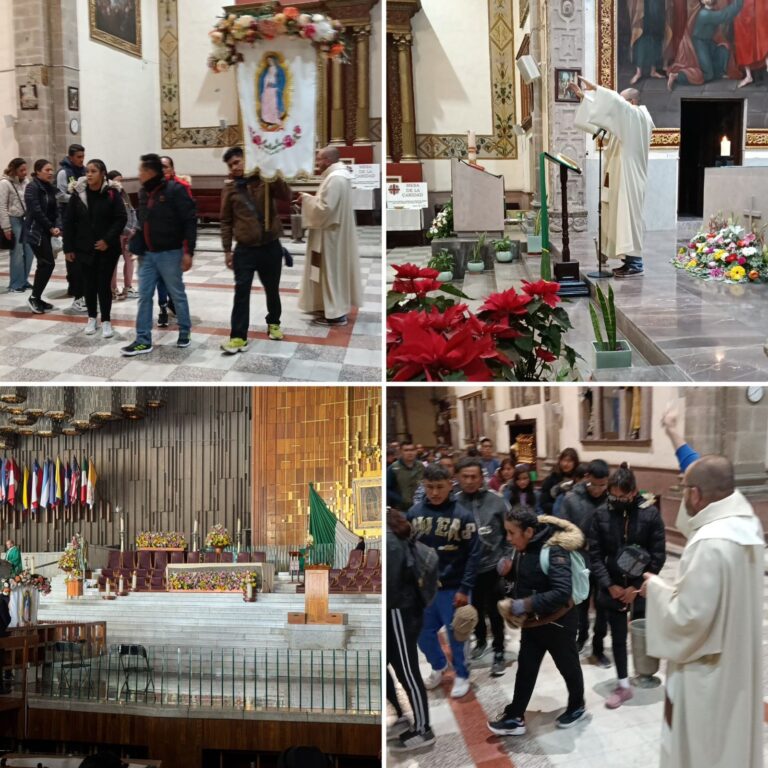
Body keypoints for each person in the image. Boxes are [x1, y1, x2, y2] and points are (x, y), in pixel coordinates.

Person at [643, 454, 763, 768]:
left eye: (684, 490)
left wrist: (656, 589)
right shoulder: (747, 525)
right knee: (732, 740)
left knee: (707, 748)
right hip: (738, 661)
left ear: (695, 495)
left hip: (709, 673)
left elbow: (688, 620)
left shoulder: (709, 545)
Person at [488, 508, 586, 736]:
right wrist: (508, 573)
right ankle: (514, 716)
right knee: (526, 668)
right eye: (507, 532)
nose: (509, 538)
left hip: (559, 623)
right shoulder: (521, 549)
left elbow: (562, 591)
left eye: (512, 533)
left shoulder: (553, 551)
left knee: (568, 666)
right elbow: (526, 580)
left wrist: (524, 605)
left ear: (529, 531)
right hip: (534, 625)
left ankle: (577, 705)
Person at [588, 463, 666, 708]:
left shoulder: (650, 514)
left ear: (633, 492)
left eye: (623, 496)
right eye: (613, 495)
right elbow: (595, 554)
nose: (617, 500)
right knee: (618, 637)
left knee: (643, 631)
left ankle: (646, 671)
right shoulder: (601, 514)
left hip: (639, 588)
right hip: (611, 586)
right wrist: (609, 585)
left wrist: (635, 587)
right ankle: (623, 685)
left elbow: (658, 554)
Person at [408, 463, 479, 699]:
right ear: (423, 486)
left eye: (440, 487)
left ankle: (462, 674)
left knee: (457, 634)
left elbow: (473, 554)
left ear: (451, 485)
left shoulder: (463, 515)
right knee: (422, 634)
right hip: (424, 589)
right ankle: (439, 666)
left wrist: (465, 588)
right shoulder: (414, 514)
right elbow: (408, 551)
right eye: (429, 487)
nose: (435, 493)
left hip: (453, 587)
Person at [572, 77, 654, 278]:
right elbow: (605, 128)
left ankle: (636, 263)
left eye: (622, 102)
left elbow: (616, 106)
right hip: (619, 177)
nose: (617, 109)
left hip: (630, 179)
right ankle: (628, 262)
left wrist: (596, 88)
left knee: (628, 220)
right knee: (620, 220)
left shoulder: (640, 117)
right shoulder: (626, 124)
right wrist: (584, 97)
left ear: (632, 102)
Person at [121, 153, 196, 356]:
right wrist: (136, 238)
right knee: (144, 296)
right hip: (147, 255)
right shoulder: (144, 192)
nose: (139, 174)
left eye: (141, 170)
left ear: (150, 172)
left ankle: (185, 331)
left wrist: (189, 252)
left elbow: (189, 220)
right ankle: (143, 339)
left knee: (177, 295)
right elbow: (143, 219)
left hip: (170, 253)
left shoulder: (176, 190)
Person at [220, 145, 291, 351]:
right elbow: (225, 221)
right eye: (230, 165)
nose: (234, 167)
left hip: (270, 246)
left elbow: (286, 195)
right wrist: (226, 250)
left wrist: (273, 173)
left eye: (237, 162)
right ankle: (238, 336)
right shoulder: (230, 188)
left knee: (272, 289)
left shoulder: (266, 181)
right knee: (241, 292)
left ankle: (274, 322)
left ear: (246, 160)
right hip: (245, 249)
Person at [455, 456, 510, 677]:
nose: (469, 481)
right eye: (465, 477)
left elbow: (509, 532)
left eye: (474, 477)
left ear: (481, 478)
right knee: (474, 609)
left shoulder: (496, 501)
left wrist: (507, 558)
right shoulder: (453, 503)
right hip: (467, 570)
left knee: (495, 611)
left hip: (493, 567)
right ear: (458, 478)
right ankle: (480, 641)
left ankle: (499, 650)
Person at [386, 508, 434, 752]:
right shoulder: (391, 535)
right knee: (390, 666)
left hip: (399, 612)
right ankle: (405, 715)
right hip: (397, 611)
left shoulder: (391, 541)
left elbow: (390, 587)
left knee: (408, 671)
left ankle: (424, 728)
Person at [298, 146, 362, 326]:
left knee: (331, 273)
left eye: (318, 159)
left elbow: (325, 209)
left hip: (330, 237)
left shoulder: (335, 179)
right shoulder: (339, 176)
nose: (316, 164)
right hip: (332, 234)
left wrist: (305, 199)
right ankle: (325, 306)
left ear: (327, 160)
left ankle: (335, 314)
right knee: (326, 272)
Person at [63, 160, 128, 339]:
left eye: (93, 171)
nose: (89, 174)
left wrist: (107, 240)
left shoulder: (112, 193)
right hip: (83, 247)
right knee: (88, 285)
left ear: (103, 174)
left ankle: (106, 320)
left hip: (107, 249)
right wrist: (67, 247)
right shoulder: (78, 193)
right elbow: (68, 222)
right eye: (87, 171)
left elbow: (121, 218)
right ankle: (92, 318)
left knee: (103, 285)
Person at [560, 459, 610, 652]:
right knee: (581, 602)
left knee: (602, 604)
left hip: (604, 561)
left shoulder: (610, 498)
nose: (598, 490)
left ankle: (599, 645)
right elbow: (564, 530)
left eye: (602, 485)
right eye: (594, 485)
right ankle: (582, 637)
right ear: (586, 477)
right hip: (580, 559)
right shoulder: (571, 499)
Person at [667, 0, 745, 88]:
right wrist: (739, 2)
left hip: (709, 42)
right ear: (702, 2)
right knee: (707, 74)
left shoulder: (712, 10)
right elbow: (724, 15)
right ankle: (677, 76)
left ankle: (716, 73)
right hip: (699, 43)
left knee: (724, 51)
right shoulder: (704, 14)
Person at [157, 155, 191, 327]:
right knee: (160, 279)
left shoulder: (181, 187)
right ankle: (163, 307)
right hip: (156, 244)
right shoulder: (151, 188)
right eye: (159, 167)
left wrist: (187, 249)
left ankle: (174, 305)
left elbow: (188, 218)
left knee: (174, 278)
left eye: (165, 166)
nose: (162, 170)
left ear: (172, 168)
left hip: (175, 243)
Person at [23, 159, 61, 314]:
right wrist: (51, 227)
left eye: (52, 170)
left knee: (45, 264)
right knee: (46, 263)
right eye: (47, 170)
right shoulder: (32, 187)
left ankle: (37, 298)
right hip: (35, 231)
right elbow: (36, 211)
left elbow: (57, 209)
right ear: (38, 171)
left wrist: (58, 226)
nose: (51, 173)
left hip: (47, 230)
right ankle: (34, 297)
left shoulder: (51, 188)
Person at [56, 143, 87, 312]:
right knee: (71, 254)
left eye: (83, 157)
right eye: (78, 157)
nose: (82, 160)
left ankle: (81, 287)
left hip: (82, 218)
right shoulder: (63, 173)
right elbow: (60, 195)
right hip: (68, 216)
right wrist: (77, 198)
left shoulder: (83, 171)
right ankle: (74, 287)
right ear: (70, 157)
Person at [0, 158, 34, 292]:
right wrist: (6, 227)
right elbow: (1, 206)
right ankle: (15, 284)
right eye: (22, 170)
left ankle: (24, 280)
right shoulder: (5, 183)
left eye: (26, 169)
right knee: (17, 252)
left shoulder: (25, 181)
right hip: (13, 220)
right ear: (14, 170)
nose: (25, 173)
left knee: (30, 251)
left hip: (25, 219)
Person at [106, 170, 137, 300]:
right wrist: (125, 229)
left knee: (130, 260)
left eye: (121, 180)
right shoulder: (109, 195)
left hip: (129, 233)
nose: (120, 183)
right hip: (117, 234)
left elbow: (131, 211)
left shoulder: (124, 194)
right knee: (113, 262)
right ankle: (112, 288)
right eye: (117, 180)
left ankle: (128, 286)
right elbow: (113, 217)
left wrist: (134, 227)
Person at [628, 0, 672, 84]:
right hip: (643, 11)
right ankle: (638, 72)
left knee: (656, 40)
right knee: (641, 41)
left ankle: (653, 70)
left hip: (657, 10)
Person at [733, 0, 768, 87]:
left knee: (763, 34)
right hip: (743, 9)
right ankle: (749, 76)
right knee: (743, 40)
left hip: (758, 7)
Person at [539, 447, 580, 516]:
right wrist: (559, 510)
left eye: (569, 461)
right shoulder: (552, 478)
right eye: (563, 460)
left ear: (575, 463)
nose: (565, 464)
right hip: (554, 516)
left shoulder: (578, 480)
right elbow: (544, 502)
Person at [386, 442, 424, 512]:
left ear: (416, 452)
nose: (410, 453)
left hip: (420, 506)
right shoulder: (393, 468)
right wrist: (400, 499)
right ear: (401, 452)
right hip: (401, 509)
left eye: (412, 450)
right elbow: (387, 489)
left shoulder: (421, 466)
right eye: (406, 450)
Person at [259, 55, 286, 128]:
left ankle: (274, 120)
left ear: (274, 60)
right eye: (268, 61)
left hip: (274, 91)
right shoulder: (266, 70)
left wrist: (276, 86)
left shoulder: (279, 69)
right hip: (266, 90)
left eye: (270, 60)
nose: (269, 62)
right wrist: (264, 87)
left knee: (273, 105)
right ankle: (267, 119)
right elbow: (262, 79)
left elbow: (282, 80)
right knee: (266, 104)